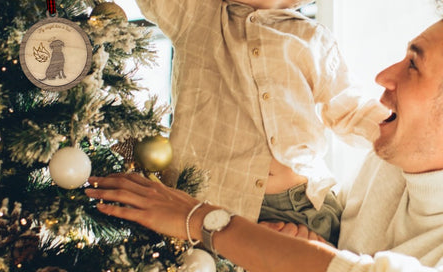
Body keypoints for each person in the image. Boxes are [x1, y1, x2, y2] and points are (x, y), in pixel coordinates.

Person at [13, 0, 389, 245]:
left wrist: (407, 133)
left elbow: (350, 111)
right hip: (208, 204)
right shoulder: (197, 10)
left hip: (301, 208)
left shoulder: (312, 40)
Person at [85, 17, 443, 271]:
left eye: (413, 65)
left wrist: (197, 218)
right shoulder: (390, 160)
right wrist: (313, 246)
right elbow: (344, 255)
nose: (384, 77)